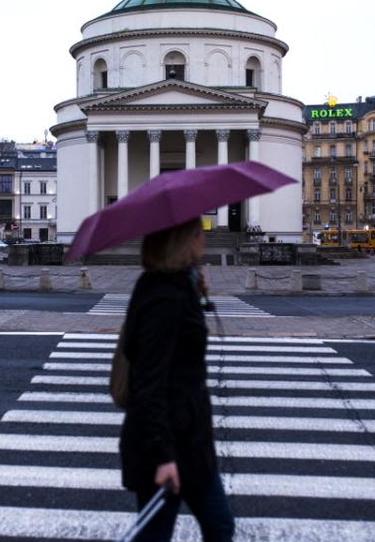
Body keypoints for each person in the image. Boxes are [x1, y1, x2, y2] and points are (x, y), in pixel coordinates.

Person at [119, 217, 234, 542]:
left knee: (218, 526)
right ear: (182, 241)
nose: (204, 242)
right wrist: (164, 456)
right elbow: (148, 383)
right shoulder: (163, 297)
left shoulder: (173, 287)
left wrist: (196, 289)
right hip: (168, 444)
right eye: (199, 235)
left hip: (190, 441)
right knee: (166, 533)